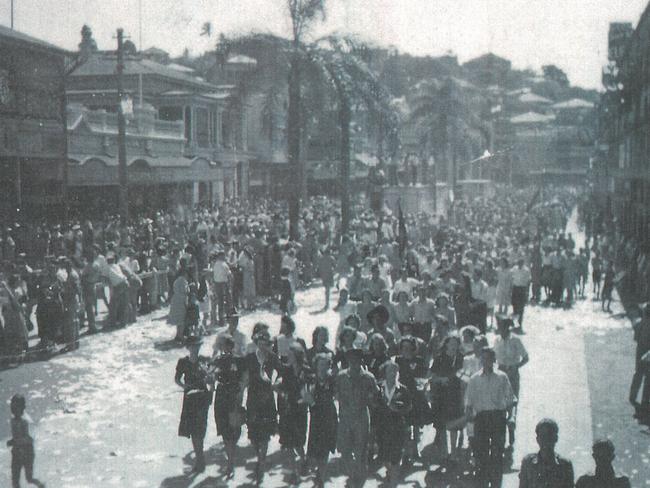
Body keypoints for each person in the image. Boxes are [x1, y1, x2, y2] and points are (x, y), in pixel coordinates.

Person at [465, 346, 516, 487]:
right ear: (481, 360)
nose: (486, 361)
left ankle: (496, 484)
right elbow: (469, 404)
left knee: (497, 454)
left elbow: (510, 400)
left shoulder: (502, 377)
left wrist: (511, 417)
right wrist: (470, 429)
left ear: (494, 360)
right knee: (481, 455)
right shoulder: (474, 379)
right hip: (481, 419)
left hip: (497, 418)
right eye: (484, 358)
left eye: (489, 358)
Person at [335, 346, 379, 488]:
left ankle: (358, 479)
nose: (354, 362)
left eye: (357, 359)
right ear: (347, 360)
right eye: (351, 359)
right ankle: (352, 474)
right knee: (345, 449)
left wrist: (372, 398)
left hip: (361, 416)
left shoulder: (369, 377)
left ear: (361, 360)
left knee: (361, 449)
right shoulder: (341, 376)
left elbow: (376, 399)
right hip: (345, 417)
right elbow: (336, 394)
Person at [243, 328, 281, 485]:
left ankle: (261, 463)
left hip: (267, 400)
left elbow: (281, 372)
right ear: (256, 343)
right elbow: (244, 379)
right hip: (252, 400)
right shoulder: (250, 358)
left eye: (267, 343)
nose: (264, 346)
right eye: (261, 343)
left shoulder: (272, 357)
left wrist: (276, 383)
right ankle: (260, 458)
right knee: (253, 435)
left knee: (265, 435)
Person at [174, 335, 212, 474]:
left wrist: (210, 383)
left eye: (198, 346)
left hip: (202, 397)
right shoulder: (183, 362)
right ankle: (199, 458)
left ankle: (200, 458)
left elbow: (211, 378)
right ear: (188, 347)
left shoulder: (205, 361)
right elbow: (177, 379)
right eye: (193, 346)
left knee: (200, 429)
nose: (196, 348)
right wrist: (184, 386)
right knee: (193, 429)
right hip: (190, 398)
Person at [210, 333, 244, 478]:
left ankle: (231, 461)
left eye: (229, 345)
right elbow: (211, 377)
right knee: (224, 428)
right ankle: (230, 460)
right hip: (222, 395)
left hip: (233, 396)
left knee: (233, 429)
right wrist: (211, 382)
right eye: (224, 346)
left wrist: (240, 392)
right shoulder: (217, 360)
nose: (226, 349)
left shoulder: (238, 360)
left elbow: (244, 378)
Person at [375, 360, 413, 487]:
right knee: (384, 456)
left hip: (397, 428)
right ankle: (391, 473)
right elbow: (373, 405)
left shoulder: (403, 389)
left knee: (396, 457)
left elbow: (409, 407)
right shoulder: (378, 387)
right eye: (390, 370)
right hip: (382, 428)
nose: (393, 373)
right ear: (384, 372)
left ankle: (393, 483)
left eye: (395, 371)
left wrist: (399, 409)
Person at [494, 316, 529, 449]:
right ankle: (502, 432)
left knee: (512, 401)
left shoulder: (515, 340)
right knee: (500, 402)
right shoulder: (497, 340)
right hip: (501, 372)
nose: (502, 330)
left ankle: (511, 430)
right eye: (500, 327)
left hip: (513, 372)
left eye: (504, 327)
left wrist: (516, 366)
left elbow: (526, 357)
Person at [277, 343, 310, 483]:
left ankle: (303, 459)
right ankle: (294, 472)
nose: (287, 357)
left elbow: (309, 389)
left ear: (296, 355)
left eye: (290, 354)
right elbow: (280, 385)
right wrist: (279, 389)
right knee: (288, 443)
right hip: (287, 410)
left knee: (298, 442)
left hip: (300, 410)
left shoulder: (306, 371)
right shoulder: (286, 370)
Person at [430, 334, 465, 462]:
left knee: (454, 424)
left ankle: (454, 452)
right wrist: (441, 380)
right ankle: (444, 451)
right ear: (446, 344)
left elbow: (466, 375)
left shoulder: (461, 359)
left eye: (456, 344)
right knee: (442, 424)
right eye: (451, 343)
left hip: (456, 394)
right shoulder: (439, 359)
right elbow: (432, 377)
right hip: (441, 395)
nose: (454, 346)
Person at [305, 353, 338, 487]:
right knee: (315, 448)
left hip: (329, 416)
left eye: (326, 364)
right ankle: (318, 473)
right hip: (316, 417)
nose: (323, 367)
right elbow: (307, 396)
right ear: (316, 365)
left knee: (325, 448)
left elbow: (336, 395)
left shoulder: (332, 379)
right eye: (320, 364)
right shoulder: (312, 380)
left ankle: (321, 478)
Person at [518, 418, 574, 488]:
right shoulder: (528, 463)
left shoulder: (565, 465)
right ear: (537, 439)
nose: (546, 440)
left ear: (556, 438)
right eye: (543, 436)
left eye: (549, 436)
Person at [7, 394, 45, 488]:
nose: (14, 409)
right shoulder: (13, 420)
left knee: (29, 478)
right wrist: (13, 440)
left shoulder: (25, 421)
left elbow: (29, 439)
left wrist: (16, 442)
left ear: (23, 408)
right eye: (13, 407)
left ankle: (41, 486)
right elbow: (17, 436)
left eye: (17, 407)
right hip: (16, 452)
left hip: (27, 452)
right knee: (15, 480)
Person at [630, 306, 650, 420]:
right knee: (647, 377)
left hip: (641, 349)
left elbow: (636, 337)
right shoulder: (643, 322)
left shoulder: (641, 322)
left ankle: (633, 396)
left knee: (638, 373)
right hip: (646, 350)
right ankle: (645, 402)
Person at [169, 269, 190, 342]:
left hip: (175, 300)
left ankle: (178, 335)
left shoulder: (176, 280)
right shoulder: (183, 281)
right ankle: (180, 336)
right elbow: (184, 291)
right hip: (181, 300)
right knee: (182, 320)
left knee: (178, 320)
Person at [511, 258, 531, 331]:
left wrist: (527, 292)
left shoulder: (526, 270)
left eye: (521, 263)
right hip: (515, 289)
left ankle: (519, 325)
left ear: (523, 263)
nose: (519, 264)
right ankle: (514, 324)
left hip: (522, 289)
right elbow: (511, 277)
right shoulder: (514, 269)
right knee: (514, 307)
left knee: (521, 308)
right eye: (518, 263)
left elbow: (528, 282)